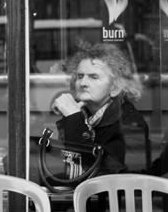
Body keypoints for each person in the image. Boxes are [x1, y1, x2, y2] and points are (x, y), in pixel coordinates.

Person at [50, 41, 144, 174]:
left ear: (115, 88)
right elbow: (67, 161)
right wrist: (71, 117)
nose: (83, 83)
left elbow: (101, 172)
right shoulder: (86, 113)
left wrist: (74, 117)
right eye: (80, 76)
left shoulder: (128, 123)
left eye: (93, 77)